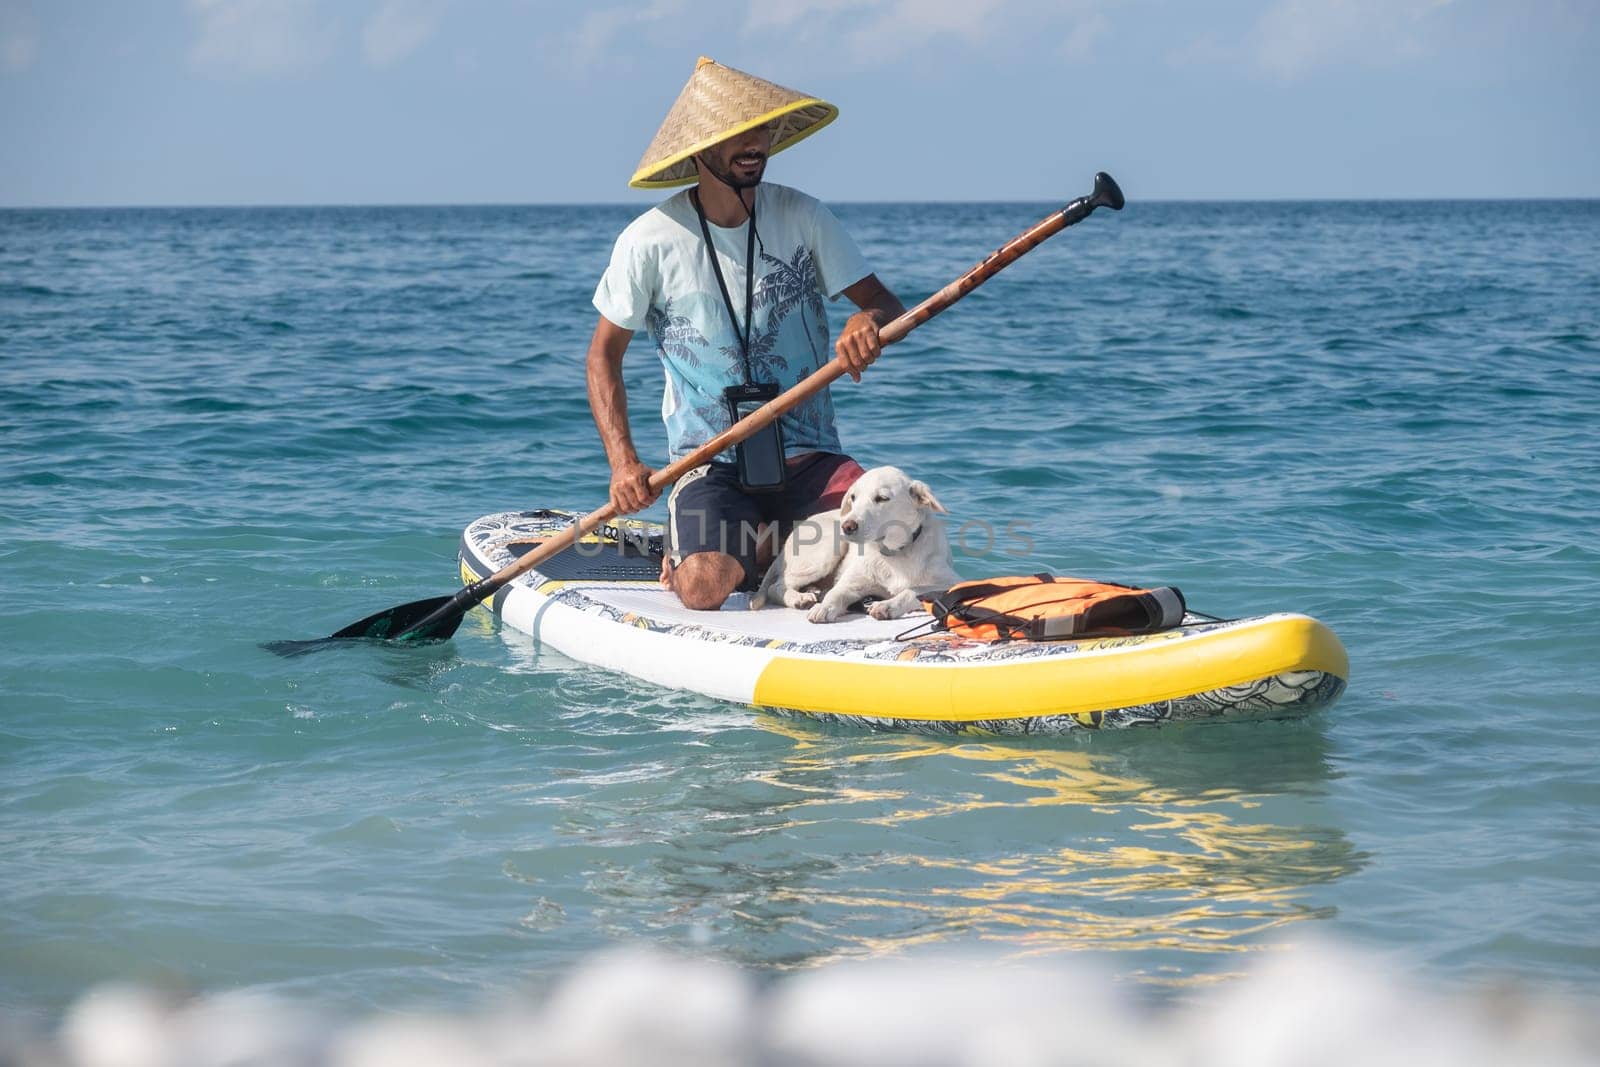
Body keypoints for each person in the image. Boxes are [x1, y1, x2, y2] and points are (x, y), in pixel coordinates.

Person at [587, 57, 905, 611]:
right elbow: (602, 356)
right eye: (736, 134)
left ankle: (767, 545)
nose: (754, 143)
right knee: (704, 589)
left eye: (760, 129)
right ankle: (707, 550)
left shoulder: (804, 216)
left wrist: (866, 322)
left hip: (810, 455)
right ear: (699, 150)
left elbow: (884, 305)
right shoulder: (649, 241)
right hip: (708, 461)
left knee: (890, 549)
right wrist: (623, 463)